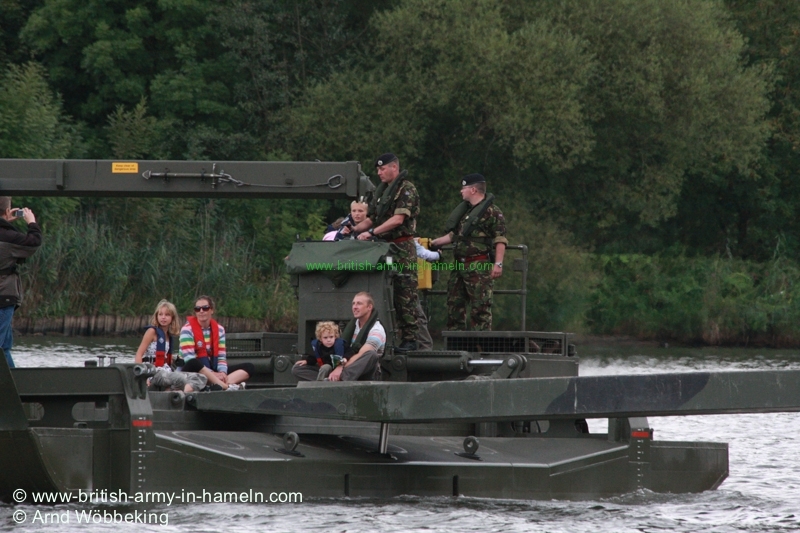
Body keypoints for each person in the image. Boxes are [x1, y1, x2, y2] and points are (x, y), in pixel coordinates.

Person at [352, 153, 420, 351]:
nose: (379, 173)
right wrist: (355, 228)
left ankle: (410, 340)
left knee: (405, 292)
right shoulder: (383, 192)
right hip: (384, 250)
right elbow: (372, 218)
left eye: (382, 169)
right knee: (384, 291)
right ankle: (385, 336)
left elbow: (398, 220)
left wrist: (371, 232)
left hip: (402, 249)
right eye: (378, 169)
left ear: (394, 168)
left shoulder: (407, 190)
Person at [430, 174, 507, 331]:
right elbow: (455, 236)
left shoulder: (493, 212)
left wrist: (498, 264)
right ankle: (455, 346)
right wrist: (433, 243)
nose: (461, 191)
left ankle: (481, 349)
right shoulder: (466, 212)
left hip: (478, 265)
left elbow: (500, 240)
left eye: (463, 188)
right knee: (454, 306)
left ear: (473, 190)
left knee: (480, 308)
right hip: (459, 266)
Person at [179, 295, 254, 390]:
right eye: (197, 309)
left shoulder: (220, 330)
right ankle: (226, 386)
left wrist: (222, 373)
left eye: (205, 308)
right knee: (194, 363)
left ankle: (215, 385)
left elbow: (221, 357)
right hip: (194, 371)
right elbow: (189, 359)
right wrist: (213, 374)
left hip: (213, 371)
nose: (201, 311)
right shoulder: (187, 330)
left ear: (212, 310)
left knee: (249, 367)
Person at [0, 198, 42, 368]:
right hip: (4, 296)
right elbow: (33, 243)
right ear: (8, 209)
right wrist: (31, 222)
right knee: (2, 346)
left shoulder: (6, 234)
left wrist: (5, 223)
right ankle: (12, 388)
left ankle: (14, 385)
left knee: (5, 346)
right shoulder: (9, 236)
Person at [328, 292, 384, 382]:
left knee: (371, 354)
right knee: (299, 369)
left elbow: (360, 355)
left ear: (369, 307)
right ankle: (330, 377)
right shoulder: (352, 326)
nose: (355, 307)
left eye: (359, 303)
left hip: (365, 372)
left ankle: (341, 378)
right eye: (353, 303)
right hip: (344, 363)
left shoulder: (377, 330)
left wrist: (340, 367)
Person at [414, 238, 440, 350]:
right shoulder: (407, 241)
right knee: (417, 315)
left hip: (381, 283)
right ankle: (425, 348)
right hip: (404, 285)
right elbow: (426, 254)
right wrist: (438, 254)